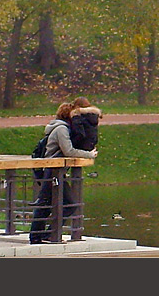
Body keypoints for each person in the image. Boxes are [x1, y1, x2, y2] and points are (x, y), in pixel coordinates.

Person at [29, 101, 98, 244]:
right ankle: (38, 236)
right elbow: (69, 151)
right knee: (51, 204)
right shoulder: (61, 129)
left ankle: (44, 234)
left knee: (52, 204)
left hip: (55, 171)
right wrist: (89, 154)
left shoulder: (61, 128)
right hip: (52, 171)